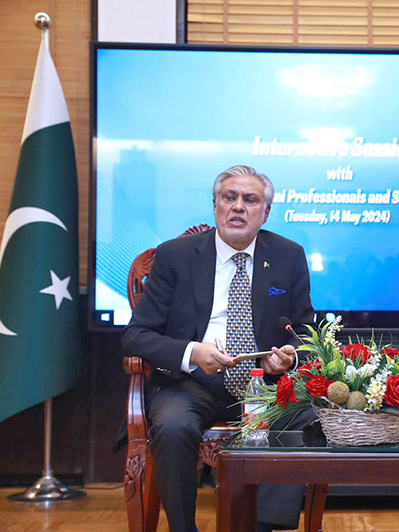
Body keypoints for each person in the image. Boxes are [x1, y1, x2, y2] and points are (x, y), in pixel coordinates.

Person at [122, 165, 315, 532]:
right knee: (173, 427)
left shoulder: (288, 255)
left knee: (305, 420)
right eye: (230, 198)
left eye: (250, 199)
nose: (238, 207)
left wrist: (288, 357)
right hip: (189, 383)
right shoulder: (176, 255)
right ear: (215, 206)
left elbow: (304, 331)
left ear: (266, 212)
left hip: (263, 386)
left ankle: (261, 526)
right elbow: (137, 335)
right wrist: (191, 352)